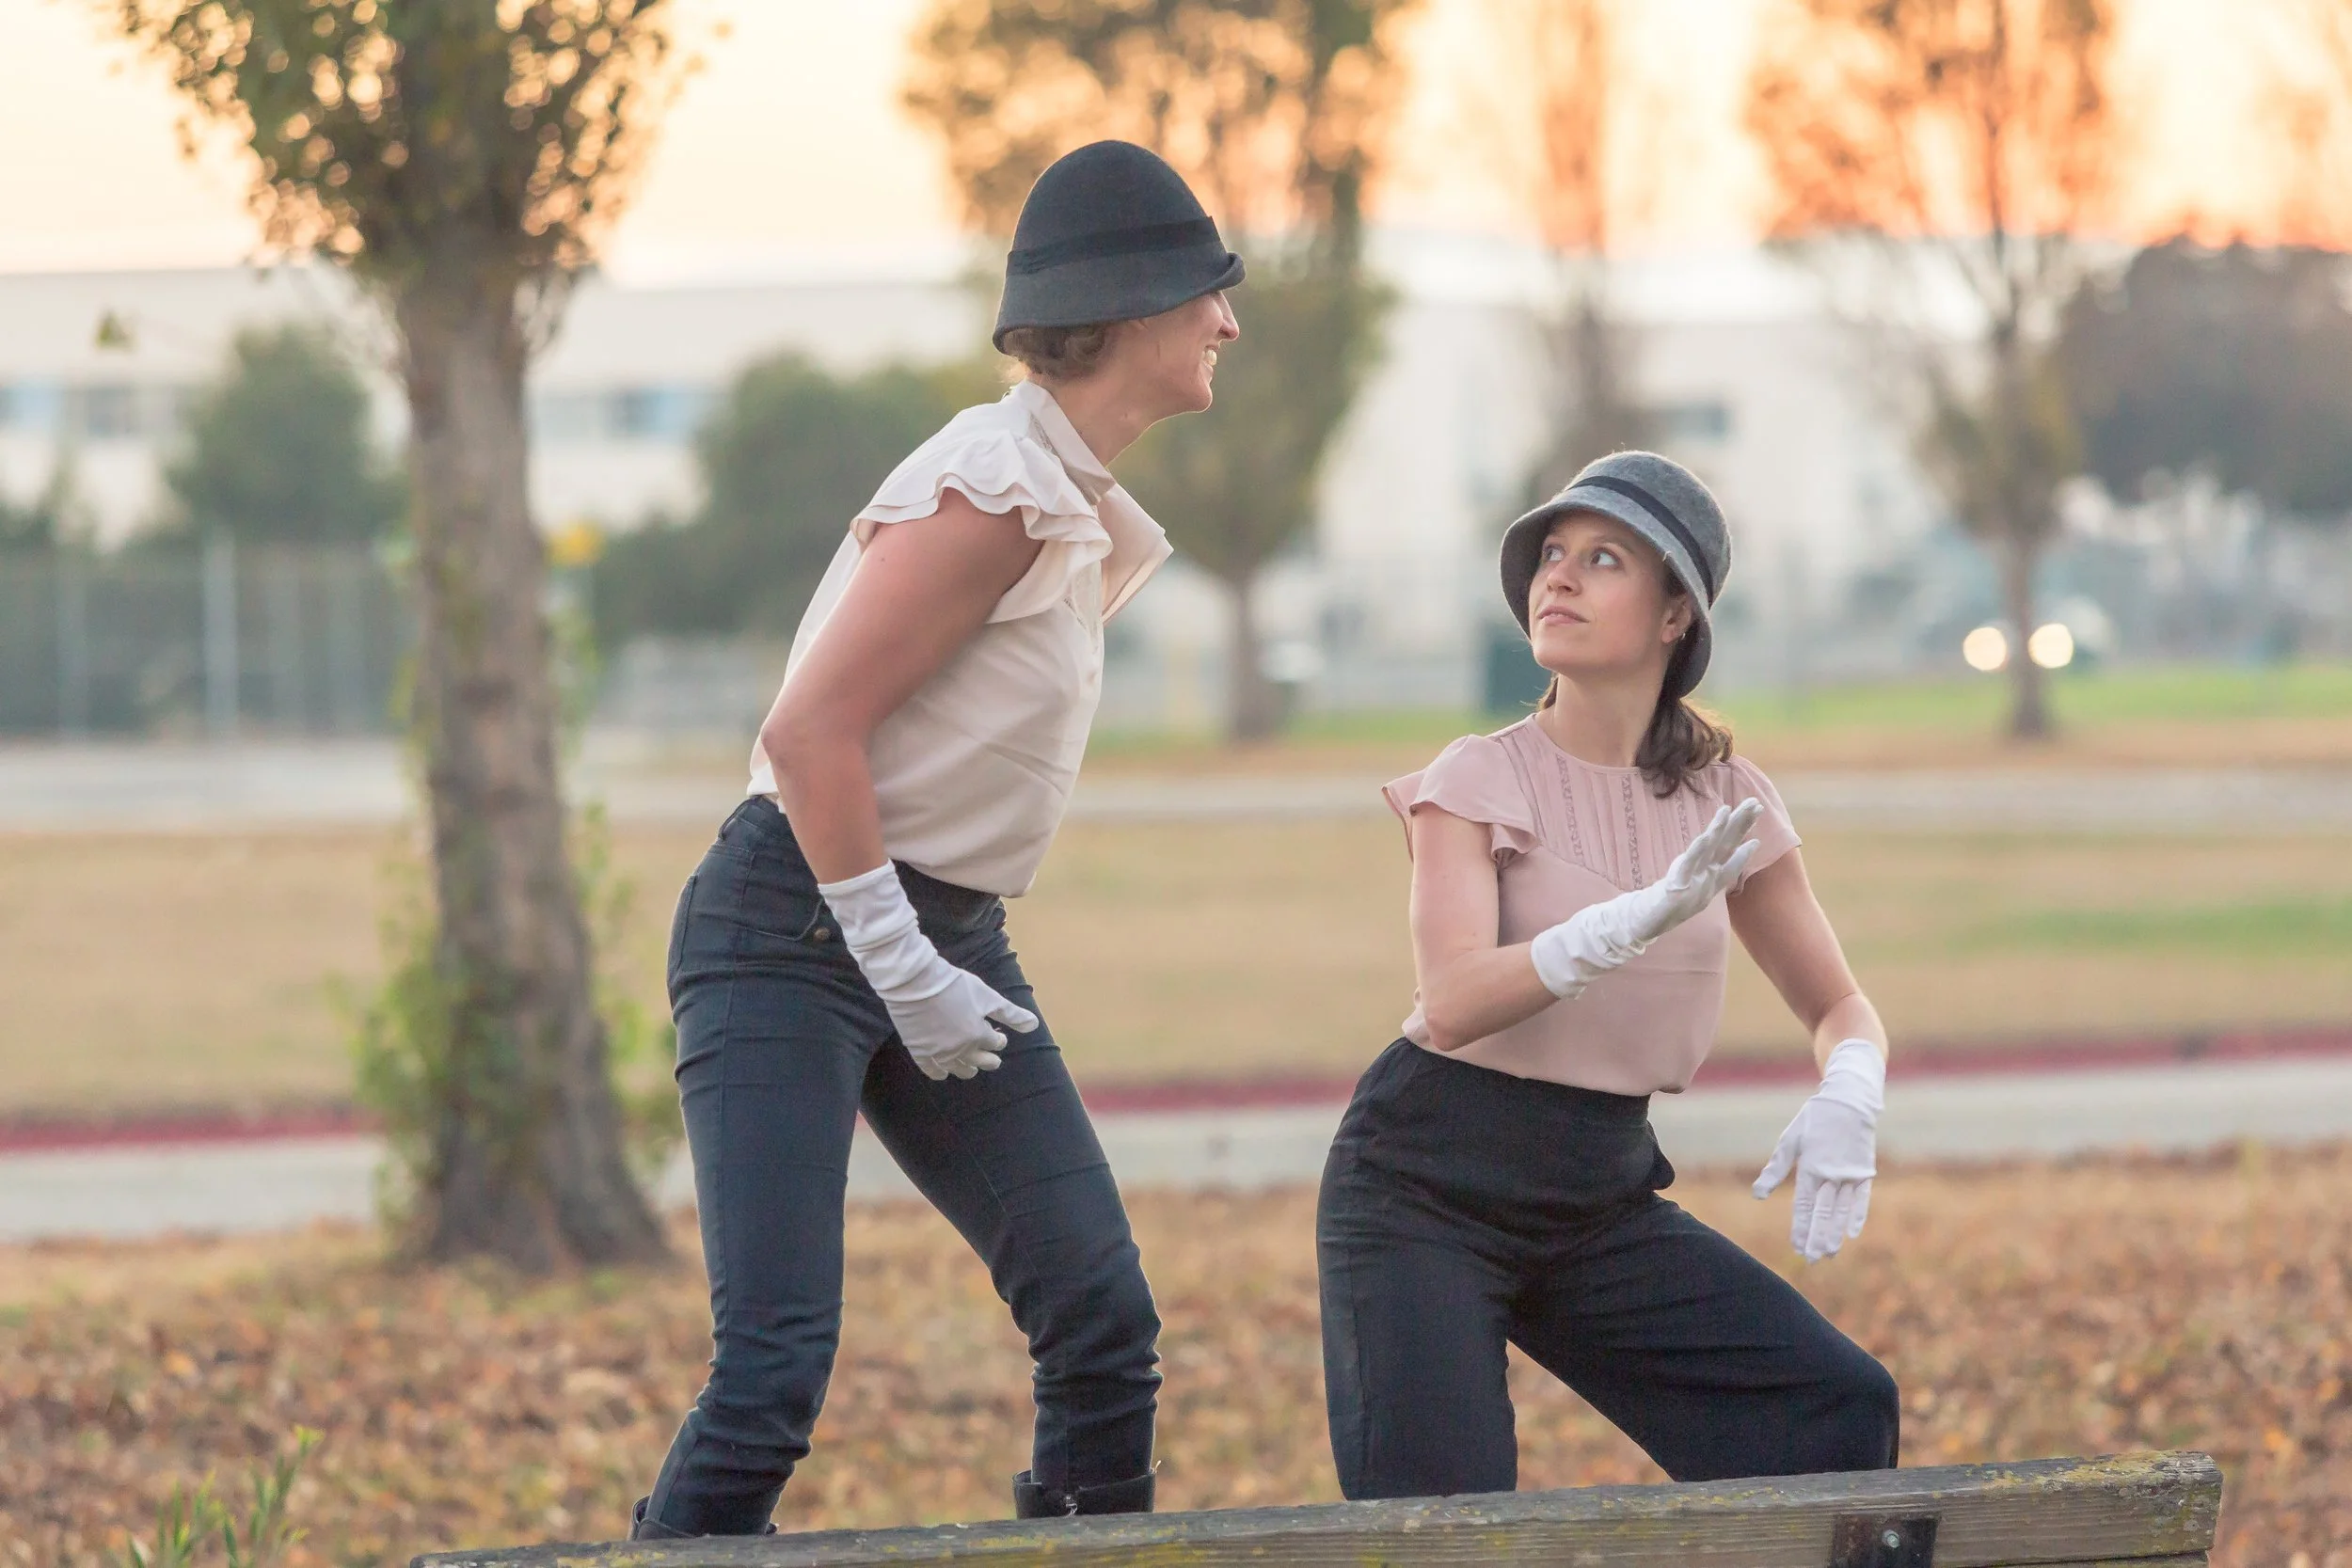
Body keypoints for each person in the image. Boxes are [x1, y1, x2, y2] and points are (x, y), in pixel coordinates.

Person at [630, 140, 1243, 1539]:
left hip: (944, 935)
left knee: (1100, 1314)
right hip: (792, 926)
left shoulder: (1065, 491)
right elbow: (809, 733)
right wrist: (898, 963)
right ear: (1135, 306)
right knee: (773, 1368)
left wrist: (926, 956)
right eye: (1209, 292)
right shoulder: (992, 484)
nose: (1228, 321)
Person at [1316, 451, 1901, 1500]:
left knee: (1832, 1406)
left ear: (1676, 613)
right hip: (1422, 1186)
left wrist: (1851, 1082)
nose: (1560, 578)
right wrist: (1618, 924)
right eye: (1550, 555)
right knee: (1444, 1525)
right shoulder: (1475, 775)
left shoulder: (1730, 798)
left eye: (1603, 559)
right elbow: (1449, 1001)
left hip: (1596, 1196)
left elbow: (1838, 1004)